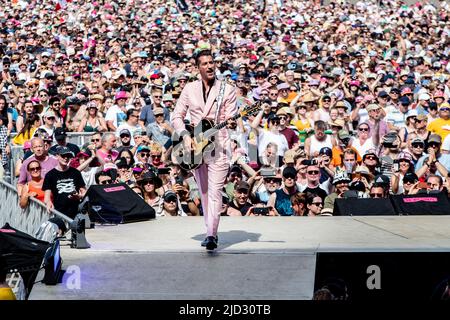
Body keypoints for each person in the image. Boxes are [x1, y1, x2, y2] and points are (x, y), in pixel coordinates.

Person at [171, 49, 237, 251]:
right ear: (198, 67)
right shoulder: (189, 88)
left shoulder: (228, 89)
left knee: (216, 191)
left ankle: (211, 235)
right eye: (205, 63)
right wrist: (185, 135)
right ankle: (209, 228)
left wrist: (232, 123)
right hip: (196, 147)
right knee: (205, 192)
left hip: (220, 145)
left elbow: (230, 117)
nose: (210, 66)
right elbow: (176, 116)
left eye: (212, 62)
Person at [43, 146, 87, 219]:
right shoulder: (50, 175)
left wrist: (79, 196)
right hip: (59, 212)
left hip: (76, 211)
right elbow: (46, 197)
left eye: (68, 156)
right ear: (57, 156)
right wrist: (48, 202)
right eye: (63, 155)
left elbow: (84, 192)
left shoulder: (76, 172)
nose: (66, 158)